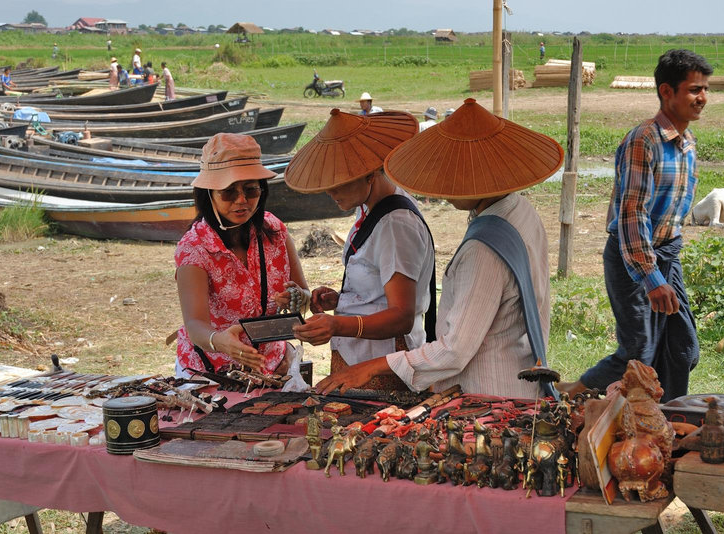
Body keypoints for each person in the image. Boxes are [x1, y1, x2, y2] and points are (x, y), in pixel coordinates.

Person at [315, 98, 564, 397]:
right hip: (515, 374)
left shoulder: (482, 251)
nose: (443, 185)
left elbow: (454, 350)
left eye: (452, 174)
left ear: (478, 177)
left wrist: (372, 366)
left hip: (490, 394)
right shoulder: (520, 210)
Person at [557, 49, 712, 403]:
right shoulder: (644, 140)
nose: (702, 98)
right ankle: (572, 396)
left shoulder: (687, 143)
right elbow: (632, 215)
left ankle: (663, 412)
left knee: (682, 348)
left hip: (665, 254)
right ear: (666, 92)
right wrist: (651, 277)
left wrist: (665, 269)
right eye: (693, 90)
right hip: (634, 257)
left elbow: (671, 213)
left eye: (704, 89)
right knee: (638, 351)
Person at [284, 109, 436, 391]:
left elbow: (402, 315)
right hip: (359, 353)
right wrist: (341, 300)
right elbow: (379, 288)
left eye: (339, 183)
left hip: (379, 362)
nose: (331, 193)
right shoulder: (369, 209)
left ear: (369, 175)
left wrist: (337, 326)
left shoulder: (395, 225)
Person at [174, 133, 308, 378]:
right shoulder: (195, 247)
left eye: (251, 190)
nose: (241, 200)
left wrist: (297, 298)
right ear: (209, 194)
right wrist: (220, 341)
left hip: (274, 365)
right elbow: (195, 324)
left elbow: (303, 291)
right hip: (211, 371)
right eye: (228, 192)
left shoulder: (275, 231)